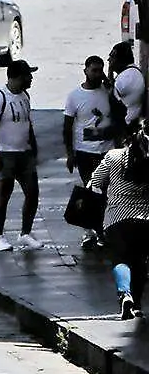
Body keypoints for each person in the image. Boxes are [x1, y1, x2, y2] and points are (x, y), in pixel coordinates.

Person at [88, 128, 149, 319]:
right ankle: (137, 305)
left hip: (116, 219)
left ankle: (125, 294)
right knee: (139, 262)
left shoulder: (113, 157)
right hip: (145, 220)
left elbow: (95, 182)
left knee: (120, 259)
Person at [0, 60, 43, 252]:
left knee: (33, 193)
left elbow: (28, 123)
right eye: (28, 75)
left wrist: (33, 146)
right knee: (3, 196)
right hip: (6, 153)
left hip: (24, 153)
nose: (31, 79)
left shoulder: (25, 96)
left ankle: (25, 232)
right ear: (19, 76)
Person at [64, 55, 115, 247]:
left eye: (100, 70)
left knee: (106, 190)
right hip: (85, 151)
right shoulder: (74, 96)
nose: (96, 74)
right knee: (90, 190)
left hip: (106, 151)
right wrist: (70, 154)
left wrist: (109, 82)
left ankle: (102, 230)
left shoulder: (108, 92)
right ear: (85, 70)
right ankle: (90, 231)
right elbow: (67, 126)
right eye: (93, 70)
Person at [109, 41, 144, 143]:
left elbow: (107, 98)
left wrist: (110, 70)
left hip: (125, 131)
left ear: (120, 59)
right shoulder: (130, 73)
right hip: (128, 128)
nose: (109, 60)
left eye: (112, 56)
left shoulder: (127, 77)